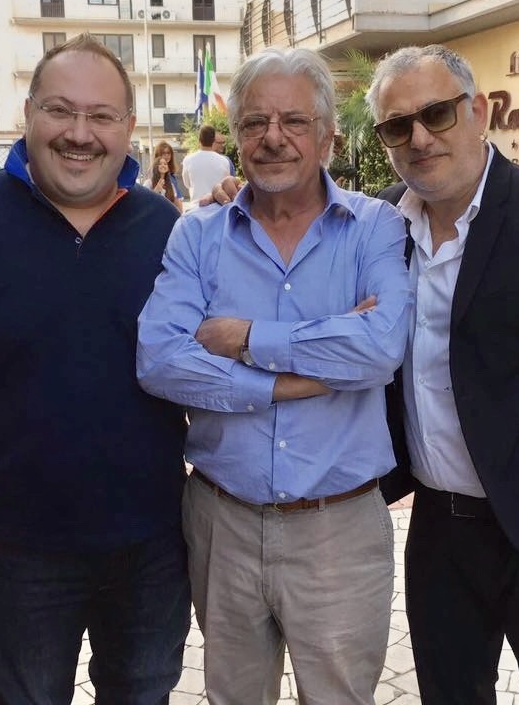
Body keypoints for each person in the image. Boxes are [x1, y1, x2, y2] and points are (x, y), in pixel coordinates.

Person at [210, 43, 519, 705]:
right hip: (438, 521)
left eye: (436, 114)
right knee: (450, 692)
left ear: (478, 111)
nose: (419, 138)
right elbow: (300, 238)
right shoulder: (379, 224)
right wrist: (248, 196)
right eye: (397, 125)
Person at [0, 33, 191, 705]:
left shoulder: (168, 229)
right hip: (12, 544)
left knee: (143, 694)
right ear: (28, 114)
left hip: (152, 541)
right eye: (60, 110)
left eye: (101, 115)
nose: (79, 134)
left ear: (128, 127)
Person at [137, 47, 412, 705]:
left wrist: (244, 338)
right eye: (256, 122)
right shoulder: (198, 234)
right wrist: (299, 377)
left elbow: (381, 348)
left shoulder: (374, 227)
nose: (273, 137)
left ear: (326, 136)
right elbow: (160, 360)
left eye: (294, 120)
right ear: (236, 137)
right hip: (222, 521)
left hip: (338, 527)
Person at [180, 123, 231, 204]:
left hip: (196, 206)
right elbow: (226, 185)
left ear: (199, 139)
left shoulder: (188, 160)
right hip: (217, 206)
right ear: (213, 140)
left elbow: (187, 184)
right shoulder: (224, 161)